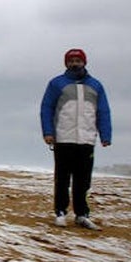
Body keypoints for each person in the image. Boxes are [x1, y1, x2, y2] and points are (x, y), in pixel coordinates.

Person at [39, 48, 112, 230]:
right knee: (62, 179)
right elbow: (46, 108)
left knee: (83, 181)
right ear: (66, 63)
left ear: (84, 62)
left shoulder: (96, 85)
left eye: (78, 61)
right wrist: (48, 132)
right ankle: (60, 213)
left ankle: (82, 215)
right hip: (63, 138)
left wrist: (105, 135)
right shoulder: (57, 83)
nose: (74, 64)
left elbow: (103, 111)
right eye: (71, 61)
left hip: (86, 140)